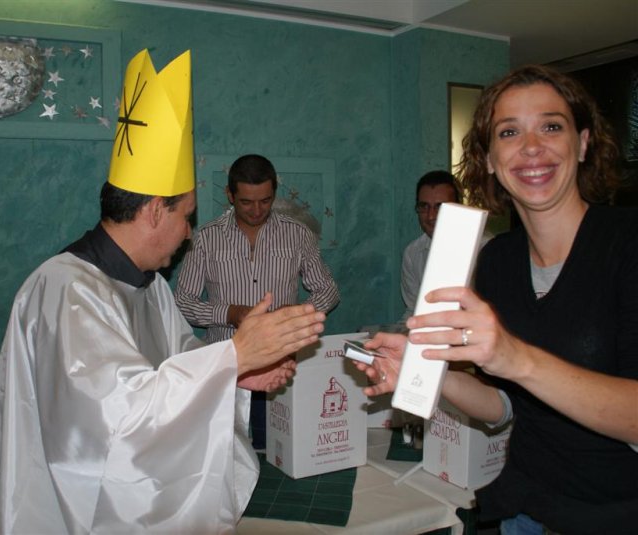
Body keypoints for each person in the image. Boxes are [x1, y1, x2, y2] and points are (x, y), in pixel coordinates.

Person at [0, 49, 326, 534]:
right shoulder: (65, 290)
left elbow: (179, 359)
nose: (190, 233)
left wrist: (236, 376)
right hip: (67, 506)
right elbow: (119, 417)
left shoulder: (150, 285)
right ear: (155, 211)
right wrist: (234, 356)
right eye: (186, 217)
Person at [355, 64, 638, 535]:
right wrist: (430, 373)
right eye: (509, 132)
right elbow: (504, 406)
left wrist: (514, 356)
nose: (531, 147)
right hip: (525, 509)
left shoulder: (627, 244)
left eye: (551, 126)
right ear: (488, 159)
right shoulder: (499, 260)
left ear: (584, 143)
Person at [174, 154, 340, 446]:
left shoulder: (297, 234)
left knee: (275, 448)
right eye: (246, 202)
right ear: (230, 195)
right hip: (225, 362)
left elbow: (328, 291)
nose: (256, 210)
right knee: (222, 449)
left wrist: (296, 313)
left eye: (265, 201)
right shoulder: (206, 239)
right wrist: (230, 313)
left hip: (278, 364)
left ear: (274, 193)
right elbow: (183, 302)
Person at [400, 171, 461, 320]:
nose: (431, 216)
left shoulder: (486, 250)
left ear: (459, 207)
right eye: (424, 206)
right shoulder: (413, 253)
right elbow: (414, 311)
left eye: (440, 207)